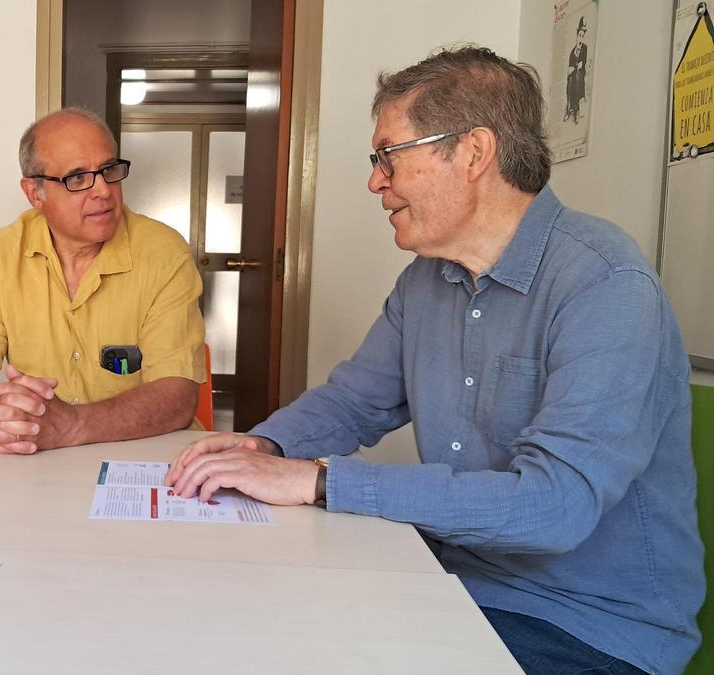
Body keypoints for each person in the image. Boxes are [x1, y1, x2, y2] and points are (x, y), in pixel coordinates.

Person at [165, 46, 702, 675]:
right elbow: (355, 401)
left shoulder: (606, 285)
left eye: (388, 156)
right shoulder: (426, 280)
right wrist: (265, 449)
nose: (375, 181)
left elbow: (553, 507)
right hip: (454, 580)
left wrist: (320, 480)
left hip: (588, 625)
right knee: (252, 627)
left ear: (473, 153)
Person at [0, 107, 205, 454]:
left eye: (109, 170)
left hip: (145, 459)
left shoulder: (163, 252)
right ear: (35, 193)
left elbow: (177, 395)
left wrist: (71, 425)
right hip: (39, 464)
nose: (103, 191)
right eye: (77, 178)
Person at [565, 17, 588, 124]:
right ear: (576, 36)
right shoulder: (572, 52)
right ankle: (570, 108)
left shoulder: (584, 48)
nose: (581, 39)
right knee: (570, 80)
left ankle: (576, 109)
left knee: (577, 75)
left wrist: (575, 67)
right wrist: (572, 69)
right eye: (579, 36)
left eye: (583, 36)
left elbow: (581, 65)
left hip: (580, 75)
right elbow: (570, 69)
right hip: (573, 77)